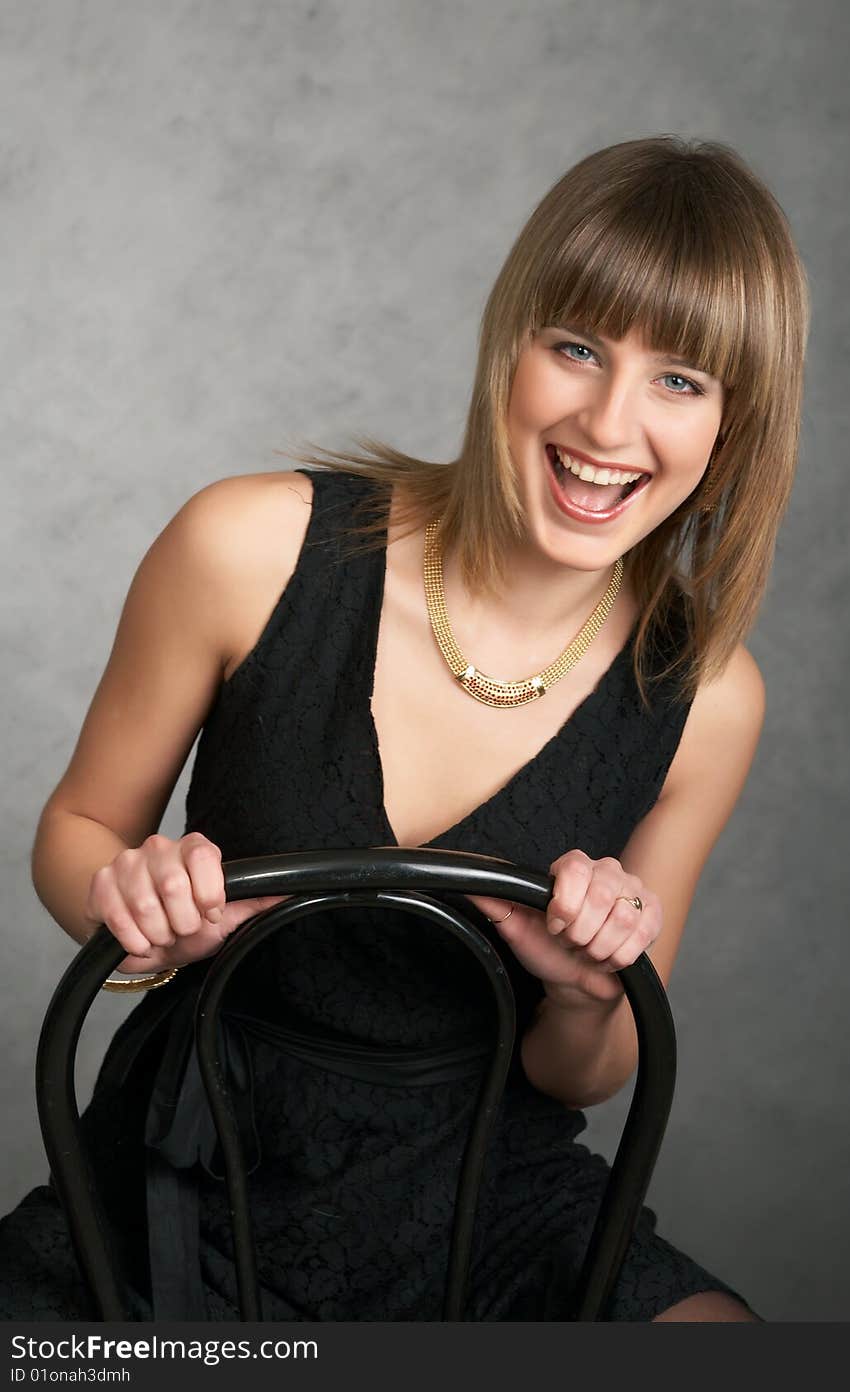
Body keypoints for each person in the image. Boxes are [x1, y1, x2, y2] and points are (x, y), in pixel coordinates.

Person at [0, 134, 809, 1322]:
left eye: (680, 381)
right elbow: (76, 829)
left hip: (490, 1190)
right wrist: (137, 908)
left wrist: (588, 993)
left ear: (734, 427)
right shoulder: (248, 544)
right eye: (576, 348)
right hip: (193, 1154)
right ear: (508, 348)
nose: (608, 422)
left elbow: (582, 1071)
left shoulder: (710, 697)